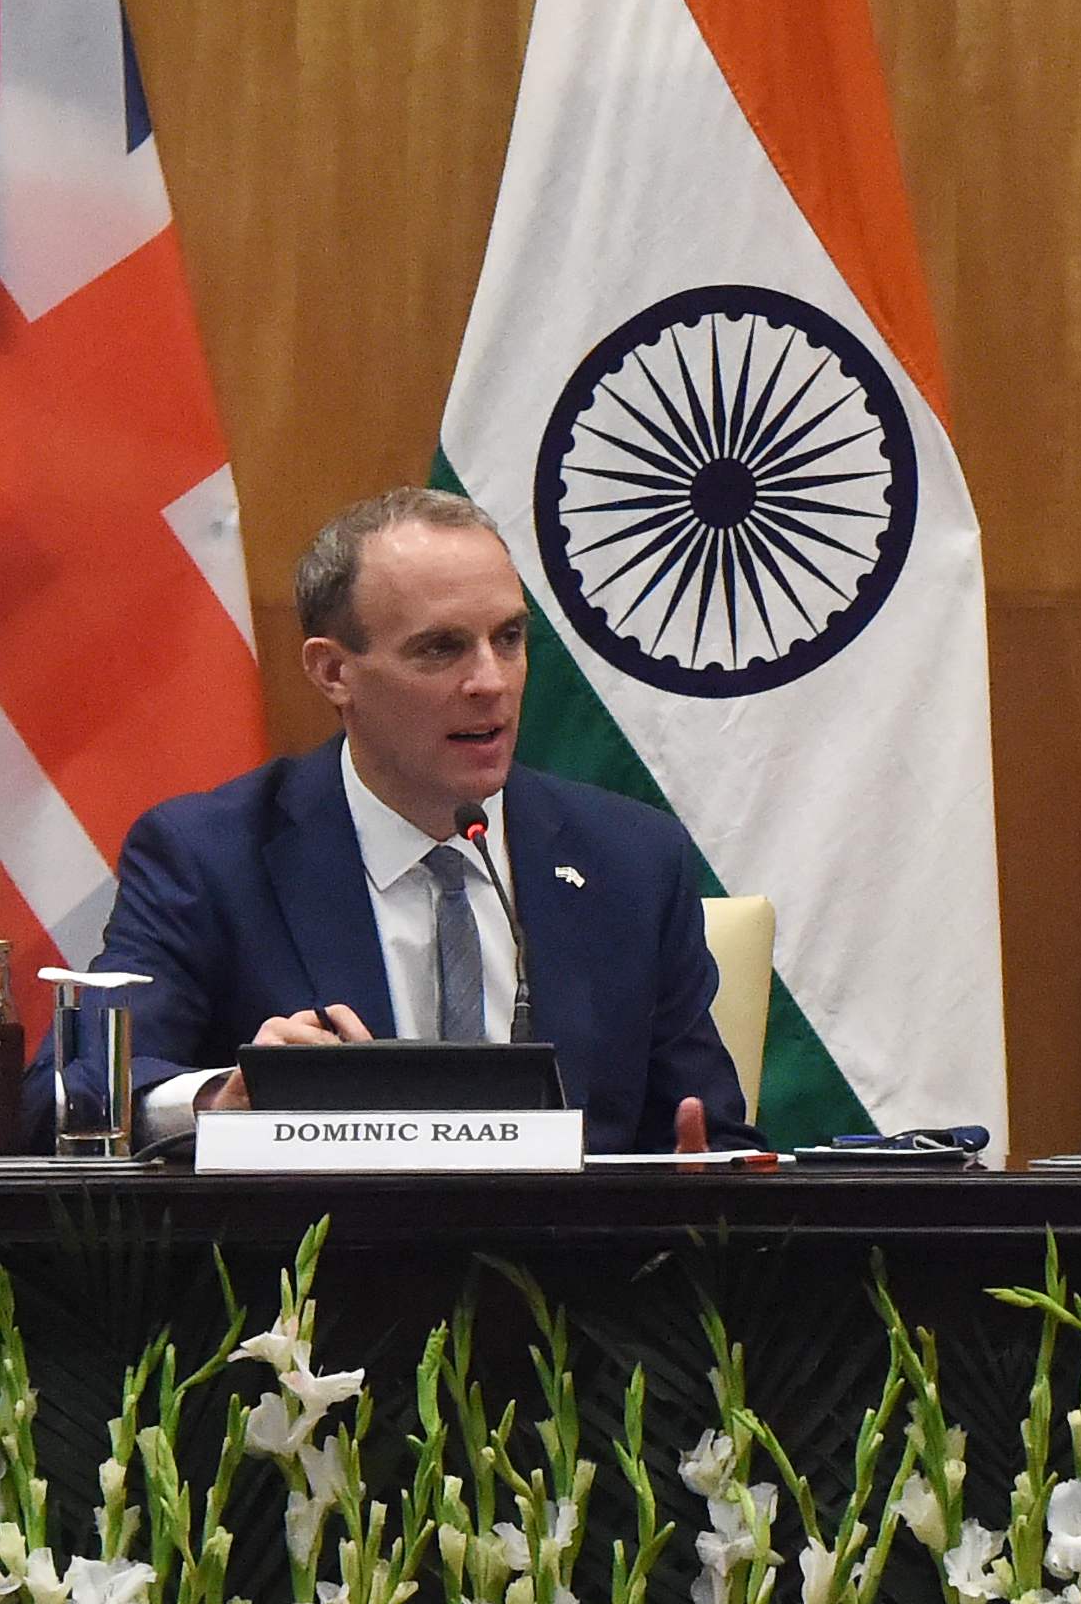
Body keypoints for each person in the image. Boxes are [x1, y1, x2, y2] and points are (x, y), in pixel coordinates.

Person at [39, 488, 747, 1153]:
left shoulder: (631, 860)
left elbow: (707, 1136)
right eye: (440, 648)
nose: (491, 681)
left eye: (508, 637)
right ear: (332, 672)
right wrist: (218, 1103)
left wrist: (700, 1187)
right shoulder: (211, 856)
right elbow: (70, 1091)